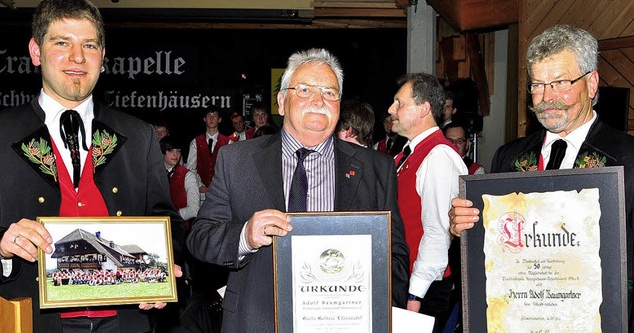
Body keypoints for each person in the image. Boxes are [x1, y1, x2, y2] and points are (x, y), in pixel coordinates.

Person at [186, 48, 409, 332]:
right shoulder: (237, 160)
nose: (318, 101)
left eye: (329, 92)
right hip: (257, 321)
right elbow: (200, 237)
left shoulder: (377, 168)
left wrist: (375, 311)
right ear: (281, 101)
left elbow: (396, 257)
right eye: (304, 90)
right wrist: (245, 235)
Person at [0, 0, 184, 332]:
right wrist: (0, 247)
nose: (78, 57)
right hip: (32, 321)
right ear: (36, 52)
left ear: (103, 56)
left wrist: (166, 270)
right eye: (62, 43)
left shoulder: (138, 136)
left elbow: (166, 221)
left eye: (89, 45)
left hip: (124, 322)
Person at [449, 24, 634, 331]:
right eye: (537, 85)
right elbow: (487, 262)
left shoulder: (628, 158)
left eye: (560, 82)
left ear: (591, 83)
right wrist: (464, 231)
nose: (546, 97)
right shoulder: (508, 158)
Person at [388, 73, 467, 331]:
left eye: (399, 103)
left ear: (423, 109)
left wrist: (415, 294)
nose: (391, 109)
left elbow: (438, 230)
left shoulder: (438, 156)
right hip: (407, 282)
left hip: (424, 289)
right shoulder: (407, 153)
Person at [186, 106, 230, 193]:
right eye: (208, 116)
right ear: (204, 119)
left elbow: (230, 170)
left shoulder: (229, 142)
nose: (211, 118)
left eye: (215, 116)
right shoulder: (195, 142)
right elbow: (191, 169)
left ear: (219, 119)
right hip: (201, 191)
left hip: (222, 191)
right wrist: (200, 185)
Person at [160, 136, 200, 228]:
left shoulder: (188, 176)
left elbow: (194, 209)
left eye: (178, 151)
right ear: (162, 153)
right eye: (171, 150)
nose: (175, 155)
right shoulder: (153, 174)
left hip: (180, 228)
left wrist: (171, 216)